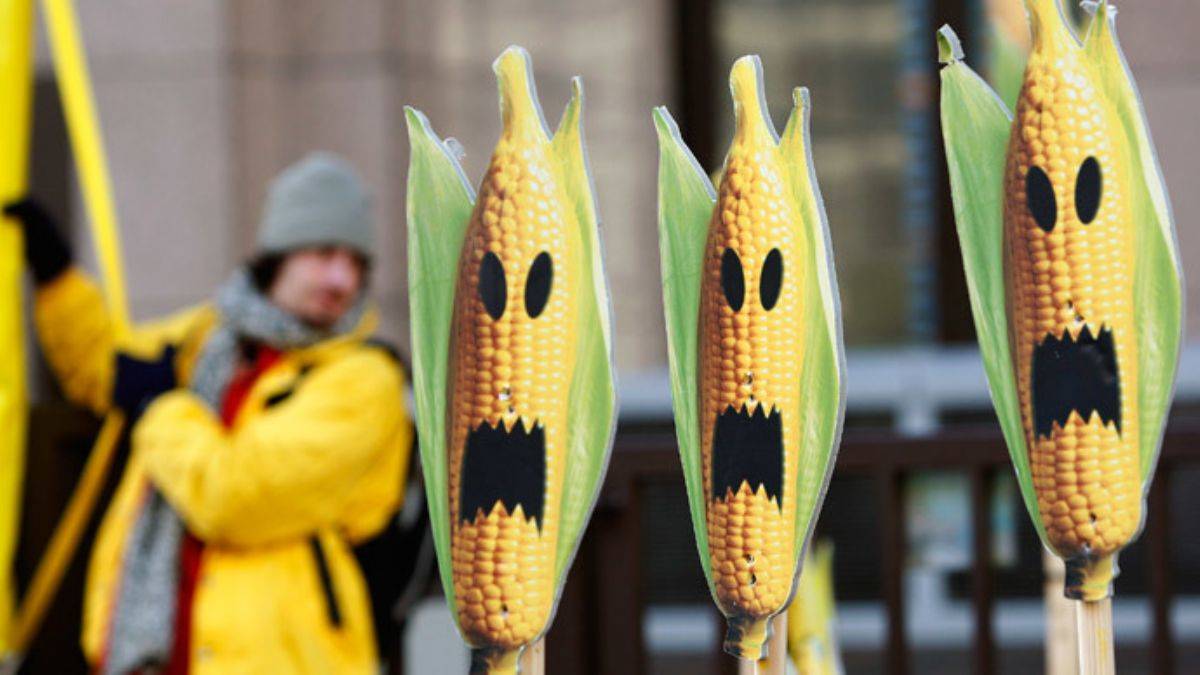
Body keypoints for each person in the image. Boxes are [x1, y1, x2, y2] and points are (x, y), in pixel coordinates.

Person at [4, 152, 412, 674]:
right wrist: (57, 278)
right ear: (279, 254)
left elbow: (235, 495)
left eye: (356, 264)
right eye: (324, 253)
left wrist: (160, 408)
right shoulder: (211, 339)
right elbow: (103, 372)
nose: (341, 280)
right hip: (162, 656)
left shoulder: (365, 378)